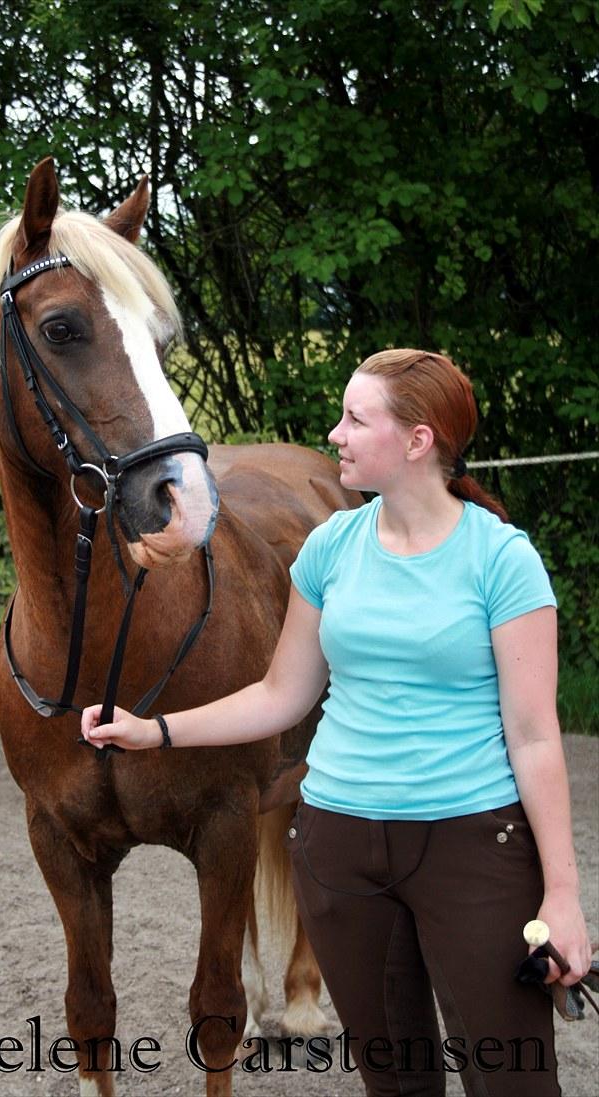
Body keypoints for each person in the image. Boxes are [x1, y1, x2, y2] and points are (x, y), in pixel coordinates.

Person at [81, 349, 591, 1097]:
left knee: (513, 1082)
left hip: (475, 849)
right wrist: (153, 730)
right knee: (396, 1085)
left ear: (417, 441)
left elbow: (536, 735)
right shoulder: (330, 549)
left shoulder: (502, 560)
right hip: (341, 851)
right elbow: (282, 694)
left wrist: (564, 894)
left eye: (356, 418)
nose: (337, 432)